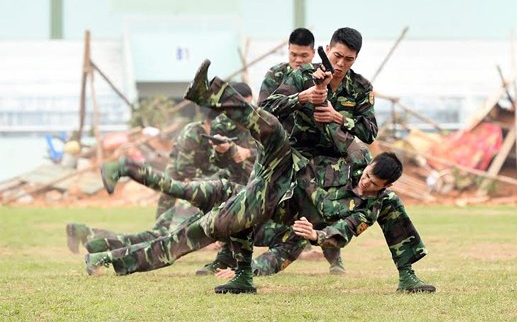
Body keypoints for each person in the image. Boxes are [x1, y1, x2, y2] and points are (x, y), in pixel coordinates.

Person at [88, 60, 435, 295]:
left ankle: (110, 259)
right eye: (367, 178)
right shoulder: (358, 156)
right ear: (369, 167)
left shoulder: (372, 205)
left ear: (383, 187)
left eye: (373, 187)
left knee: (190, 235)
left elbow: (343, 231)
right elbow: (330, 127)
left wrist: (318, 234)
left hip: (278, 209)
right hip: (283, 175)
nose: (365, 184)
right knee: (271, 129)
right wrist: (321, 98)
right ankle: (208, 92)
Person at [201, 27, 346, 277]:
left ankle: (334, 259)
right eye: (293, 55)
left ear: (313, 53)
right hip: (272, 155)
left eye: (303, 55)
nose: (298, 60)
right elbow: (264, 111)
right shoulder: (276, 74)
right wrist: (300, 98)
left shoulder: (324, 78)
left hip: (307, 159)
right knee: (248, 205)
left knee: (317, 209)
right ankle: (225, 260)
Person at [66, 83, 256, 254]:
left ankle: (92, 238)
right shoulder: (193, 133)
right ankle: (100, 242)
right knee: (162, 240)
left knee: (158, 237)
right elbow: (186, 174)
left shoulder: (235, 138)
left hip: (194, 197)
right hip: (180, 197)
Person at [261, 27, 377, 159]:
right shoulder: (302, 75)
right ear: (327, 49)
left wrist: (338, 118)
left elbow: (370, 133)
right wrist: (302, 97)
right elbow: (265, 110)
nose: (340, 63)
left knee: (364, 158)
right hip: (297, 155)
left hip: (337, 159)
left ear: (355, 58)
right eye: (337, 56)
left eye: (348, 59)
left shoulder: (361, 87)